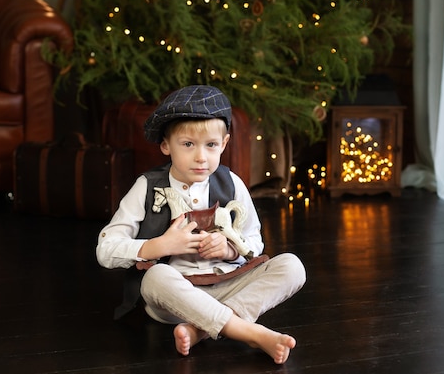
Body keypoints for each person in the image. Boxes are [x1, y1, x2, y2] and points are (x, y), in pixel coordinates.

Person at [96, 85, 306, 364]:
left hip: (230, 285)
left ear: (225, 143)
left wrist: (230, 250)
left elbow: (254, 240)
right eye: (187, 144)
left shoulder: (231, 182)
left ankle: (200, 330)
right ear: (165, 145)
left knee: (292, 266)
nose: (201, 157)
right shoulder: (146, 187)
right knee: (154, 279)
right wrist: (159, 245)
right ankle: (249, 332)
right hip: (177, 298)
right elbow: (105, 250)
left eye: (211, 145)